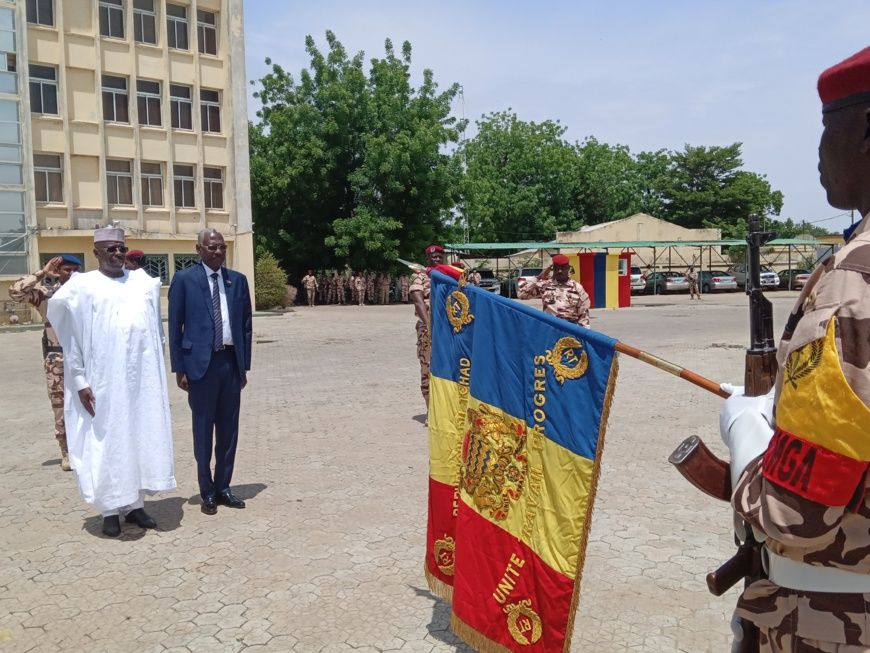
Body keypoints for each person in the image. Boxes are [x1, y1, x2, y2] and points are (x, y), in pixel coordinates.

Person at [720, 46, 870, 652]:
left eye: (827, 128)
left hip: (838, 621)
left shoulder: (854, 280)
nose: (816, 153)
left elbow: (800, 511)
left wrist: (747, 440)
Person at [47, 227, 175, 537]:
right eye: (110, 249)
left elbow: (156, 332)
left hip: (140, 380)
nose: (117, 253)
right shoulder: (83, 287)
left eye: (121, 248)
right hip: (102, 381)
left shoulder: (142, 283)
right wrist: (78, 379)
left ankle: (134, 505)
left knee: (138, 436)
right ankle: (109, 509)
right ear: (96, 253)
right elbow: (71, 338)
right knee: (107, 440)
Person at [168, 229, 253, 516]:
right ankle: (207, 491)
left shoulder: (237, 281)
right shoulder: (184, 280)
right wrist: (179, 368)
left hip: (229, 363)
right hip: (199, 367)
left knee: (229, 430)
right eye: (212, 247)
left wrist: (244, 366)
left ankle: (224, 487)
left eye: (222, 247)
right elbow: (175, 326)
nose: (218, 252)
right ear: (199, 249)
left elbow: (245, 327)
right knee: (203, 430)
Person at [9, 254, 81, 471]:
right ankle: (66, 450)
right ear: (58, 271)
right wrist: (41, 273)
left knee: (88, 403)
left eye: (75, 270)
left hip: (84, 358)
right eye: (66, 269)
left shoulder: (86, 296)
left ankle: (86, 447)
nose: (71, 274)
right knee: (60, 405)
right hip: (57, 358)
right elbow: (15, 292)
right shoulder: (46, 297)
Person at [410, 245, 444, 409]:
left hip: (447, 329)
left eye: (439, 256)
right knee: (427, 366)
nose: (437, 259)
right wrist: (429, 325)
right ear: (427, 259)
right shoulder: (420, 277)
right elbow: (418, 301)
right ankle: (430, 409)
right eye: (434, 257)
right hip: (428, 329)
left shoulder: (447, 276)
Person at [517, 254, 591, 328]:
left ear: (568, 268)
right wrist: (538, 277)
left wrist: (584, 335)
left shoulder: (577, 288)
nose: (559, 271)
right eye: (556, 268)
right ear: (553, 269)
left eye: (563, 268)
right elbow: (521, 294)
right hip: (549, 330)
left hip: (570, 331)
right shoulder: (545, 286)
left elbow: (583, 315)